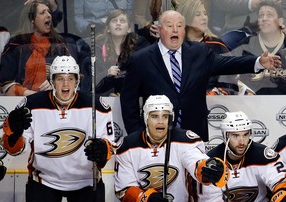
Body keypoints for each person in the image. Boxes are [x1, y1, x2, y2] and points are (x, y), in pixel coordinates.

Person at [120, 10, 281, 142]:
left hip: (195, 136)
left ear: (184, 30)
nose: (175, 30)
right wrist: (137, 134)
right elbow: (128, 100)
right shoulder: (141, 59)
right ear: (160, 29)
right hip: (156, 137)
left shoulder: (199, 52)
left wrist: (259, 61)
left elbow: (228, 63)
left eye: (179, 26)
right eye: (170, 26)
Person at [0, 55, 115, 202]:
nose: (66, 84)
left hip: (86, 182)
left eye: (70, 78)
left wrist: (102, 150)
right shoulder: (31, 105)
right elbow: (15, 150)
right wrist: (13, 135)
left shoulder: (98, 107)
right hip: (44, 181)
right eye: (60, 78)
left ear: (77, 81)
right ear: (51, 81)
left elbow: (110, 146)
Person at [114, 95, 230, 202]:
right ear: (146, 118)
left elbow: (195, 161)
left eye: (165, 116)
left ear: (172, 118)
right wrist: (147, 200)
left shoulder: (185, 140)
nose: (160, 121)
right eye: (154, 116)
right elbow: (124, 189)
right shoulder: (128, 145)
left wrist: (207, 168)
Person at [196, 111, 286, 202]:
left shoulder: (263, 155)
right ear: (225, 136)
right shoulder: (212, 161)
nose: (242, 142)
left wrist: (282, 199)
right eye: (235, 136)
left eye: (245, 135)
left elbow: (280, 183)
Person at [0, 0, 91, 96]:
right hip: (23, 102)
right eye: (43, 13)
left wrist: (55, 84)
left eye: (49, 12)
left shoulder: (61, 44)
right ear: (32, 19)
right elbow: (5, 83)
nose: (48, 15)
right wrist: (31, 94)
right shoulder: (16, 44)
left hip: (56, 101)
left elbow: (74, 77)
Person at [175, 0, 238, 95]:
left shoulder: (217, 45)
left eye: (205, 14)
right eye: (198, 14)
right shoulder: (174, 45)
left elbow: (230, 81)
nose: (204, 18)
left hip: (214, 102)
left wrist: (216, 93)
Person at [232, 1, 286, 94]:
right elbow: (232, 77)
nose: (264, 19)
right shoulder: (246, 45)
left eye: (269, 15)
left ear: (280, 21)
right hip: (252, 104)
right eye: (261, 15)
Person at [95, 9, 149, 96]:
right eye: (114, 21)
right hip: (105, 100)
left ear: (129, 29)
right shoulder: (97, 48)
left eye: (122, 21)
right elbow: (91, 83)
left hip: (133, 98)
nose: (118, 23)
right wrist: (106, 74)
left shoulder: (140, 46)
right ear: (108, 28)